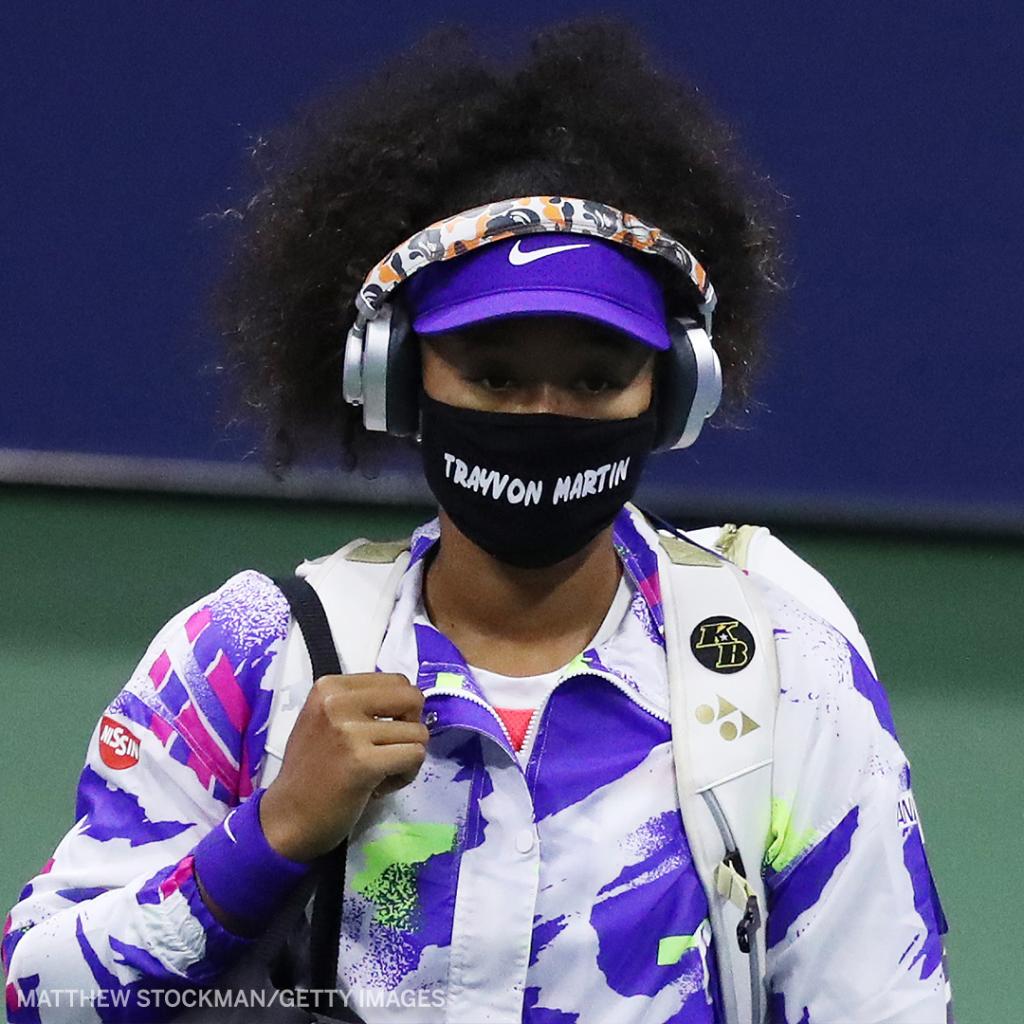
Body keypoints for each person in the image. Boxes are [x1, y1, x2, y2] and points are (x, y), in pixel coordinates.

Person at [3, 17, 951, 1024]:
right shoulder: (245, 657)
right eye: (494, 376)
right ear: (395, 378)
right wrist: (268, 837)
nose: (543, 415)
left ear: (672, 394)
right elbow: (37, 994)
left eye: (595, 379)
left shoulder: (787, 681)